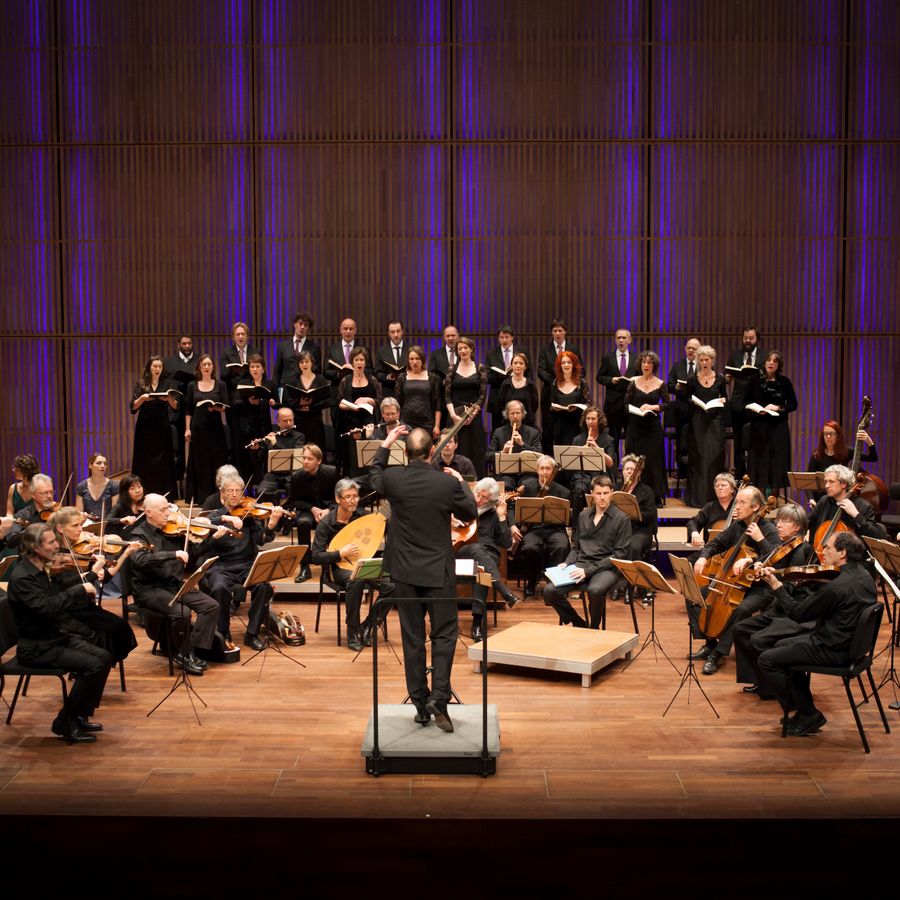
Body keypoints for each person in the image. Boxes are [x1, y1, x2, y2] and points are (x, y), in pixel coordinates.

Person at [367, 425, 477, 732]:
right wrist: (459, 482)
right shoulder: (445, 483)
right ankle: (439, 699)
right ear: (433, 451)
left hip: (404, 571)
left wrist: (386, 443)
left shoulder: (394, 479)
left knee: (412, 637)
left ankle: (420, 703)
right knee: (443, 635)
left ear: (405, 452)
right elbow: (469, 513)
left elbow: (374, 473)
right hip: (438, 571)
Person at [757, 532, 877, 736]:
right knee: (780, 647)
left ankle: (808, 712)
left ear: (842, 553)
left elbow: (798, 614)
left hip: (832, 649)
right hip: (852, 647)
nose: (823, 551)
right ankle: (805, 712)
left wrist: (776, 585)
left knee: (767, 660)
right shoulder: (865, 576)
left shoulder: (837, 587)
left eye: (828, 547)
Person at [7, 523, 113, 744]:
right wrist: (80, 589)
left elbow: (60, 591)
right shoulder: (23, 577)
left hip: (54, 637)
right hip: (38, 647)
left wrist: (89, 576)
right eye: (51, 542)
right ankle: (65, 721)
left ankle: (78, 715)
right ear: (35, 547)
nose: (57, 546)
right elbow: (47, 607)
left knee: (104, 656)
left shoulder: (40, 568)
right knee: (93, 665)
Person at [128, 493, 224, 675]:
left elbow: (193, 552)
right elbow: (140, 559)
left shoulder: (174, 529)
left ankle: (193, 651)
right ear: (148, 512)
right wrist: (174, 554)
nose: (168, 513)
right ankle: (184, 654)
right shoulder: (139, 534)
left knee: (211, 606)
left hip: (174, 584)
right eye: (162, 510)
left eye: (168, 508)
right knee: (182, 612)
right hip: (150, 589)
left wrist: (213, 539)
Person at [691, 486, 780, 675]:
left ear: (756, 507)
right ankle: (709, 643)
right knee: (695, 594)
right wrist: (703, 557)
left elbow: (775, 558)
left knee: (742, 609)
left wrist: (760, 539)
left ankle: (718, 654)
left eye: (741, 503)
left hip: (759, 586)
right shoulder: (738, 525)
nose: (736, 507)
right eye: (736, 502)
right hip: (732, 582)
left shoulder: (769, 530)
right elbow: (717, 543)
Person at [732, 503, 816, 695]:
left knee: (754, 636)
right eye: (778, 520)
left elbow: (788, 589)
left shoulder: (801, 551)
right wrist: (755, 562)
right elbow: (770, 558)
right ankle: (759, 678)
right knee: (740, 629)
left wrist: (771, 579)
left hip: (790, 611)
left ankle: (771, 684)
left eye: (785, 521)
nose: (778, 524)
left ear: (797, 527)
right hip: (779, 606)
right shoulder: (783, 545)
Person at [200, 472, 284, 651]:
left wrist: (271, 524)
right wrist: (224, 522)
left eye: (238, 490)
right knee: (219, 588)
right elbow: (203, 528)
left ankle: (252, 634)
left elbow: (261, 540)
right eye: (230, 490)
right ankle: (223, 633)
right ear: (222, 493)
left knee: (264, 587)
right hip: (221, 567)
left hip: (246, 565)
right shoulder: (215, 515)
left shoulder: (250, 516)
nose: (234, 494)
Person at [48, 507, 138, 664]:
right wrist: (93, 572)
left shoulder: (79, 551)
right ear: (60, 528)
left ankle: (99, 664)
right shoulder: (55, 557)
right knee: (109, 631)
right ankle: (92, 665)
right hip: (67, 611)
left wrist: (125, 554)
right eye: (75, 525)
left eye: (80, 525)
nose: (81, 529)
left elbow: (106, 578)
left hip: (84, 606)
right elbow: (67, 588)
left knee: (121, 626)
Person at [542, 474, 631, 629]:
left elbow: (620, 554)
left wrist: (588, 571)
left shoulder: (622, 519)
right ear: (592, 494)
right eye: (598, 493)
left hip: (608, 567)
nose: (602, 497)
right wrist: (567, 562)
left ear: (611, 493)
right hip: (582, 563)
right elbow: (576, 546)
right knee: (549, 590)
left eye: (606, 493)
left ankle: (594, 628)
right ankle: (578, 623)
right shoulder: (583, 516)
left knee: (595, 590)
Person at [310, 478, 383, 651]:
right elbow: (316, 557)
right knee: (355, 580)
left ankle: (369, 625)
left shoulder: (364, 516)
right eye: (348, 497)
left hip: (363, 564)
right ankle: (353, 632)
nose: (353, 500)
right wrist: (339, 554)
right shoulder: (326, 524)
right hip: (337, 569)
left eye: (355, 496)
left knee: (393, 586)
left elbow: (381, 527)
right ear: (338, 499)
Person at [456, 477, 520, 641]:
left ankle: (477, 624)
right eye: (478, 494)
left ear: (491, 500)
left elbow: (506, 544)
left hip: (487, 559)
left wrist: (502, 517)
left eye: (484, 497)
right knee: (476, 549)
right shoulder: (465, 508)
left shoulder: (494, 514)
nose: (479, 499)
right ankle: (505, 592)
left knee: (482, 573)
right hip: (463, 553)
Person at [512, 455, 571, 598]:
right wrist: (513, 526)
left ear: (553, 471)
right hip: (533, 529)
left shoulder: (563, 492)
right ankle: (532, 581)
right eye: (542, 468)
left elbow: (568, 520)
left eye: (548, 469)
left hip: (555, 529)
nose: (545, 472)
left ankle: (554, 583)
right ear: (537, 470)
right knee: (529, 548)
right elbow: (512, 509)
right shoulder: (527, 487)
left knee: (561, 546)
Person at [744, 350, 798, 496]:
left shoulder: (785, 382)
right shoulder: (754, 380)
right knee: (759, 460)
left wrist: (779, 408)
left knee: (776, 460)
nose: (771, 363)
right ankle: (759, 495)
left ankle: (773, 497)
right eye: (769, 360)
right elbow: (746, 402)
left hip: (777, 427)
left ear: (778, 365)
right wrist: (756, 410)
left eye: (775, 361)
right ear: (765, 363)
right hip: (759, 427)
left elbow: (793, 404)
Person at [684, 345, 728, 508]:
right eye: (701, 360)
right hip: (698, 422)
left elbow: (725, 398)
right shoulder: (693, 379)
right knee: (699, 459)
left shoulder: (720, 378)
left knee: (714, 459)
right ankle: (697, 499)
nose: (704, 362)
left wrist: (722, 401)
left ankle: (716, 498)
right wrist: (694, 403)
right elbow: (687, 401)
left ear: (712, 360)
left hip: (715, 422)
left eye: (706, 360)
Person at [624, 350, 669, 505]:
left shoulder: (660, 383)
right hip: (636, 427)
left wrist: (653, 407)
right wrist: (636, 410)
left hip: (653, 428)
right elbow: (625, 404)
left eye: (649, 362)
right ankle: (634, 493)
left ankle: (656, 495)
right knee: (636, 461)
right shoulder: (633, 382)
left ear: (654, 365)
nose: (646, 365)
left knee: (654, 462)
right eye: (644, 362)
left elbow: (667, 404)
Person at [184, 353, 230, 504]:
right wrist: (187, 429)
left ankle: (217, 496)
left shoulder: (220, 385)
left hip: (215, 427)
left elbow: (226, 406)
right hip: (198, 428)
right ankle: (201, 497)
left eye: (209, 364)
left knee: (216, 460)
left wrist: (217, 408)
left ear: (213, 367)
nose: (206, 367)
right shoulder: (192, 385)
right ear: (199, 367)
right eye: (203, 364)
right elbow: (188, 410)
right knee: (200, 461)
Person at [288, 443, 338, 583]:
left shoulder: (331, 472)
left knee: (333, 522)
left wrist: (328, 510)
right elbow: (294, 501)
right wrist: (312, 508)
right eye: (303, 458)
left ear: (319, 460)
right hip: (307, 510)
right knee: (303, 523)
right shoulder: (297, 476)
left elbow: (339, 497)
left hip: (328, 509)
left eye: (309, 459)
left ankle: (328, 566)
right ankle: (305, 567)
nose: (305, 462)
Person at [130, 355, 178, 497]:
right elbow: (132, 407)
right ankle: (143, 493)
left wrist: (169, 398)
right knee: (144, 459)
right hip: (145, 425)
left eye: (160, 367)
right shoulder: (141, 383)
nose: (157, 369)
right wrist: (142, 398)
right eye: (155, 366)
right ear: (149, 368)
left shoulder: (168, 383)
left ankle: (165, 494)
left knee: (164, 460)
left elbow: (176, 407)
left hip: (162, 425)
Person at [807, 464, 887, 547]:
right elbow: (808, 521)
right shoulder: (825, 500)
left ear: (844, 484)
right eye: (826, 481)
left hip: (850, 556)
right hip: (821, 550)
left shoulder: (863, 506)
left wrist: (856, 515)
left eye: (831, 482)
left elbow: (873, 536)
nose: (826, 486)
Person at [725, 326, 766, 479]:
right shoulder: (736, 354)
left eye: (751, 338)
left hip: (756, 404)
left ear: (757, 339)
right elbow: (726, 373)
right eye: (745, 338)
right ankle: (739, 476)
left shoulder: (764, 355)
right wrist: (728, 377)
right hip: (738, 404)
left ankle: (755, 475)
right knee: (738, 441)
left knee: (755, 441)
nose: (747, 341)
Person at [538, 319, 584, 454]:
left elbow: (581, 369)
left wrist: (569, 381)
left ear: (565, 332)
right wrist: (558, 382)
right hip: (551, 393)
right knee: (549, 429)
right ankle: (549, 461)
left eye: (560, 330)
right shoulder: (545, 349)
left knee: (572, 429)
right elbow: (540, 371)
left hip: (572, 393)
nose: (557, 333)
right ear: (551, 333)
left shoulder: (573, 348)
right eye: (555, 331)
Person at [444, 336, 487, 478]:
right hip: (456, 417)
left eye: (465, 348)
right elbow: (447, 396)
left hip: (473, 416)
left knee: (476, 450)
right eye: (460, 348)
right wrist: (453, 416)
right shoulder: (452, 368)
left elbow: (482, 395)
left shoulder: (480, 368)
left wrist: (472, 415)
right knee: (457, 449)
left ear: (471, 349)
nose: (463, 351)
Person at [806, 420, 878, 503]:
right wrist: (811, 499)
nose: (828, 437)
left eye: (831, 433)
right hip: (820, 501)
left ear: (838, 436)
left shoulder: (846, 451)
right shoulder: (816, 455)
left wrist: (868, 441)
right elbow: (809, 482)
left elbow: (873, 458)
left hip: (840, 498)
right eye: (825, 434)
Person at [233, 354, 277, 485]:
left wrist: (274, 402)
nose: (255, 369)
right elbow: (235, 403)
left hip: (263, 425)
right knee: (248, 462)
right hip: (247, 427)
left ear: (263, 368)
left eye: (258, 366)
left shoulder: (270, 383)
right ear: (249, 369)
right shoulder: (244, 383)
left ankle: (262, 489)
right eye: (252, 367)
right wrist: (248, 401)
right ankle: (248, 490)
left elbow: (279, 402)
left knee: (262, 459)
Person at [618, 455, 657, 600]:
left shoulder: (646, 491)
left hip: (640, 531)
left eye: (632, 469)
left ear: (639, 472)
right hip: (619, 531)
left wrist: (633, 514)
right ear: (622, 471)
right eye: (626, 469)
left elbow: (651, 514)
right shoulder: (616, 489)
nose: (629, 472)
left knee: (632, 546)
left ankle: (630, 586)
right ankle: (614, 584)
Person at [337, 347, 380, 477]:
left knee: (368, 454)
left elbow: (379, 400)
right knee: (353, 455)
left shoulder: (372, 379)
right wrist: (352, 407)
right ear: (352, 362)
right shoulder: (346, 380)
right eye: (356, 360)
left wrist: (367, 400)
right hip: (351, 422)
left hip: (368, 422)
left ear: (365, 362)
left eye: (362, 360)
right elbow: (339, 403)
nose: (359, 363)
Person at [567, 406, 617, 516]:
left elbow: (610, 462)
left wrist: (597, 449)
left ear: (599, 421)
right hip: (582, 475)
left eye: (593, 419)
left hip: (601, 475)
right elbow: (572, 464)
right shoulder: (578, 439)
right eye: (588, 419)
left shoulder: (608, 439)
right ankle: (576, 528)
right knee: (579, 489)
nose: (590, 422)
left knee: (600, 488)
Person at [163, 334, 198, 491]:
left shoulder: (199, 361)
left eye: (189, 343)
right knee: (176, 448)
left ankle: (193, 484)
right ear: (178, 345)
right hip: (175, 409)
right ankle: (176, 486)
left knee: (196, 445)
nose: (187, 346)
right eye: (184, 343)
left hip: (194, 407)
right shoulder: (169, 362)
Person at [596, 328, 640, 448]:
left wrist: (634, 381)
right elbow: (599, 377)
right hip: (613, 406)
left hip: (631, 405)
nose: (621, 340)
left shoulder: (637, 358)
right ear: (615, 340)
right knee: (612, 441)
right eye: (618, 338)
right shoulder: (608, 357)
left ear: (629, 340)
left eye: (624, 338)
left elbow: (642, 378)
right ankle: (613, 466)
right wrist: (611, 380)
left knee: (631, 441)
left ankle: (630, 466)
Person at [485, 399, 542, 493]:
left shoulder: (533, 432)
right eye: (512, 413)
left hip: (527, 474)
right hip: (506, 474)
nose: (515, 416)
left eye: (518, 413)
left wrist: (522, 444)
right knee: (505, 484)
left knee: (529, 485)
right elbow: (488, 456)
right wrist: (502, 452)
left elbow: (539, 454)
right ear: (507, 415)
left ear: (523, 414)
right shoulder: (498, 432)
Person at [665, 337, 702, 478]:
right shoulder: (677, 365)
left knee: (697, 441)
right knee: (681, 441)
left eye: (694, 348)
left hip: (698, 408)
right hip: (681, 409)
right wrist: (676, 387)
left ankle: (696, 472)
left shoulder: (703, 364)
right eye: (689, 347)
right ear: (685, 349)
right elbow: (669, 386)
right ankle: (681, 472)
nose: (691, 350)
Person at [252, 407, 306, 501]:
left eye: (291, 420)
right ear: (278, 422)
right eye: (285, 421)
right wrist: (255, 450)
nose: (289, 424)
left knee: (296, 493)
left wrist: (275, 444)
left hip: (291, 476)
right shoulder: (271, 437)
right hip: (273, 476)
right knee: (261, 492)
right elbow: (259, 460)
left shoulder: (299, 437)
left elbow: (294, 454)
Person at [485, 325, 531, 431]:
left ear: (512, 337)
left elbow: (529, 373)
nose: (504, 340)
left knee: (521, 429)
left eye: (507, 337)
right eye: (501, 337)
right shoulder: (491, 354)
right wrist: (501, 376)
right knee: (498, 430)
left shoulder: (523, 351)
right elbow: (487, 377)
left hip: (519, 394)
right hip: (497, 397)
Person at [280, 350, 328, 452]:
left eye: (307, 361)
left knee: (316, 451)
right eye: (301, 362)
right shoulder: (293, 380)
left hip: (315, 421)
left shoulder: (320, 380)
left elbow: (327, 401)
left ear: (312, 363)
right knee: (299, 451)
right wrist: (300, 404)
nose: (304, 364)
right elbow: (287, 402)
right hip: (298, 421)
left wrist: (311, 407)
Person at [547, 351, 591, 448]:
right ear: (560, 366)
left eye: (569, 362)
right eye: (563, 362)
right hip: (560, 426)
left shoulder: (581, 382)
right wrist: (556, 407)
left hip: (577, 425)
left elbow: (588, 404)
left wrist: (578, 407)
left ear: (573, 365)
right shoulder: (555, 382)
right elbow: (551, 404)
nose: (566, 365)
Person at [396, 345, 442, 438]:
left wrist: (437, 426)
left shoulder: (432, 377)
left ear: (423, 360)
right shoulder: (402, 377)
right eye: (411, 359)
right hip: (406, 422)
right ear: (408, 361)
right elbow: (397, 402)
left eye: (417, 358)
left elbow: (438, 403)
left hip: (426, 422)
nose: (415, 362)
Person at [685, 472, 736, 549]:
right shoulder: (710, 507)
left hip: (734, 549)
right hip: (711, 550)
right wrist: (694, 533)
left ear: (732, 489)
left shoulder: (739, 506)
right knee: (687, 560)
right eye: (717, 486)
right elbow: (693, 522)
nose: (720, 488)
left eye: (723, 485)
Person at [273, 311, 321, 387]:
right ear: (294, 324)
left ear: (308, 328)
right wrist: (274, 392)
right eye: (300, 323)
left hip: (306, 388)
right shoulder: (283, 346)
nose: (302, 327)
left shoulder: (314, 347)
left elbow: (317, 372)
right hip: (286, 388)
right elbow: (277, 372)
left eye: (306, 325)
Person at [496, 351, 539, 428]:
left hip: (528, 424)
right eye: (515, 363)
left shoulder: (530, 385)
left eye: (521, 363)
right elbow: (501, 405)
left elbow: (534, 406)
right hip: (508, 424)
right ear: (511, 366)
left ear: (525, 367)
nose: (518, 365)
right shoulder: (505, 384)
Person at [75, 453, 119, 520]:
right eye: (99, 463)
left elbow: (115, 513)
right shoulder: (81, 486)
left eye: (105, 463)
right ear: (90, 465)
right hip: (87, 526)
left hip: (107, 525)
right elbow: (79, 512)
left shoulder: (113, 485)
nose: (102, 466)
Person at [374, 319, 409, 399]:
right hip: (389, 391)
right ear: (389, 333)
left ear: (402, 332)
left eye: (398, 331)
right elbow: (377, 373)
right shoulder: (381, 351)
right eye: (392, 332)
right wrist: (387, 377)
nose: (396, 335)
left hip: (407, 391)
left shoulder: (410, 349)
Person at [427, 323, 460, 402]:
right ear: (444, 337)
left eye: (453, 335)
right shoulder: (435, 354)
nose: (450, 338)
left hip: (460, 396)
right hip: (442, 397)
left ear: (458, 336)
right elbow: (431, 375)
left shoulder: (464, 353)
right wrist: (442, 381)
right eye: (448, 336)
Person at [7, 453, 39, 517]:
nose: (13, 470)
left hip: (37, 526)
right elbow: (9, 513)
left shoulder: (39, 487)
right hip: (17, 525)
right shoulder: (13, 488)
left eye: (17, 469)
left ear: (26, 472)